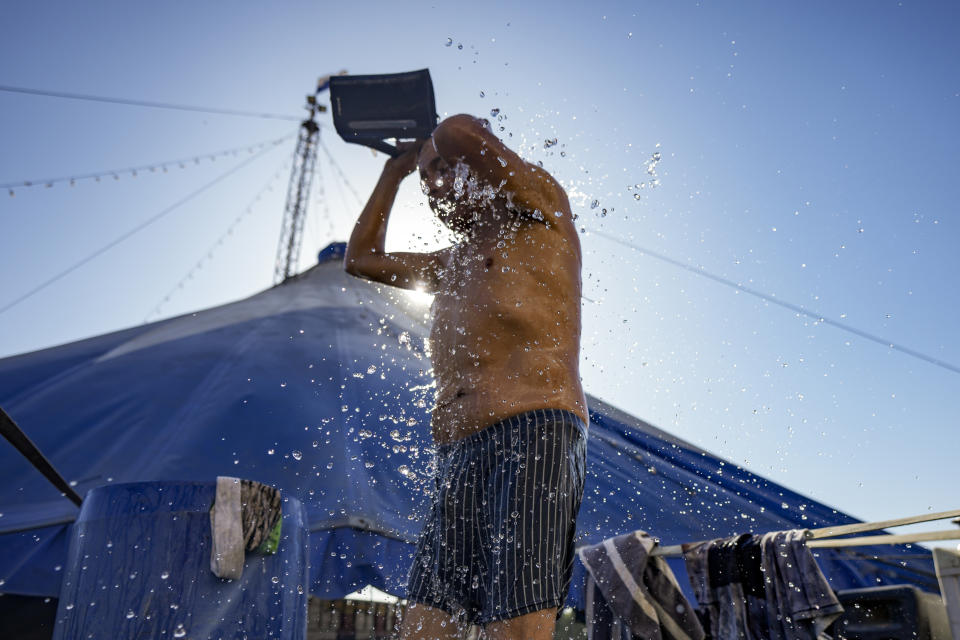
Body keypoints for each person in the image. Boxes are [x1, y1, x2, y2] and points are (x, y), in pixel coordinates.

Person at [345, 114, 588, 640]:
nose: (433, 185)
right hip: (458, 457)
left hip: (534, 431)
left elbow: (459, 131)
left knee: (516, 628)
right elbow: (362, 260)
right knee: (424, 628)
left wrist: (430, 138)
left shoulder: (539, 208)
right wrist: (395, 171)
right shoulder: (450, 263)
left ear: (482, 164)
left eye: (443, 169)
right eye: (426, 179)